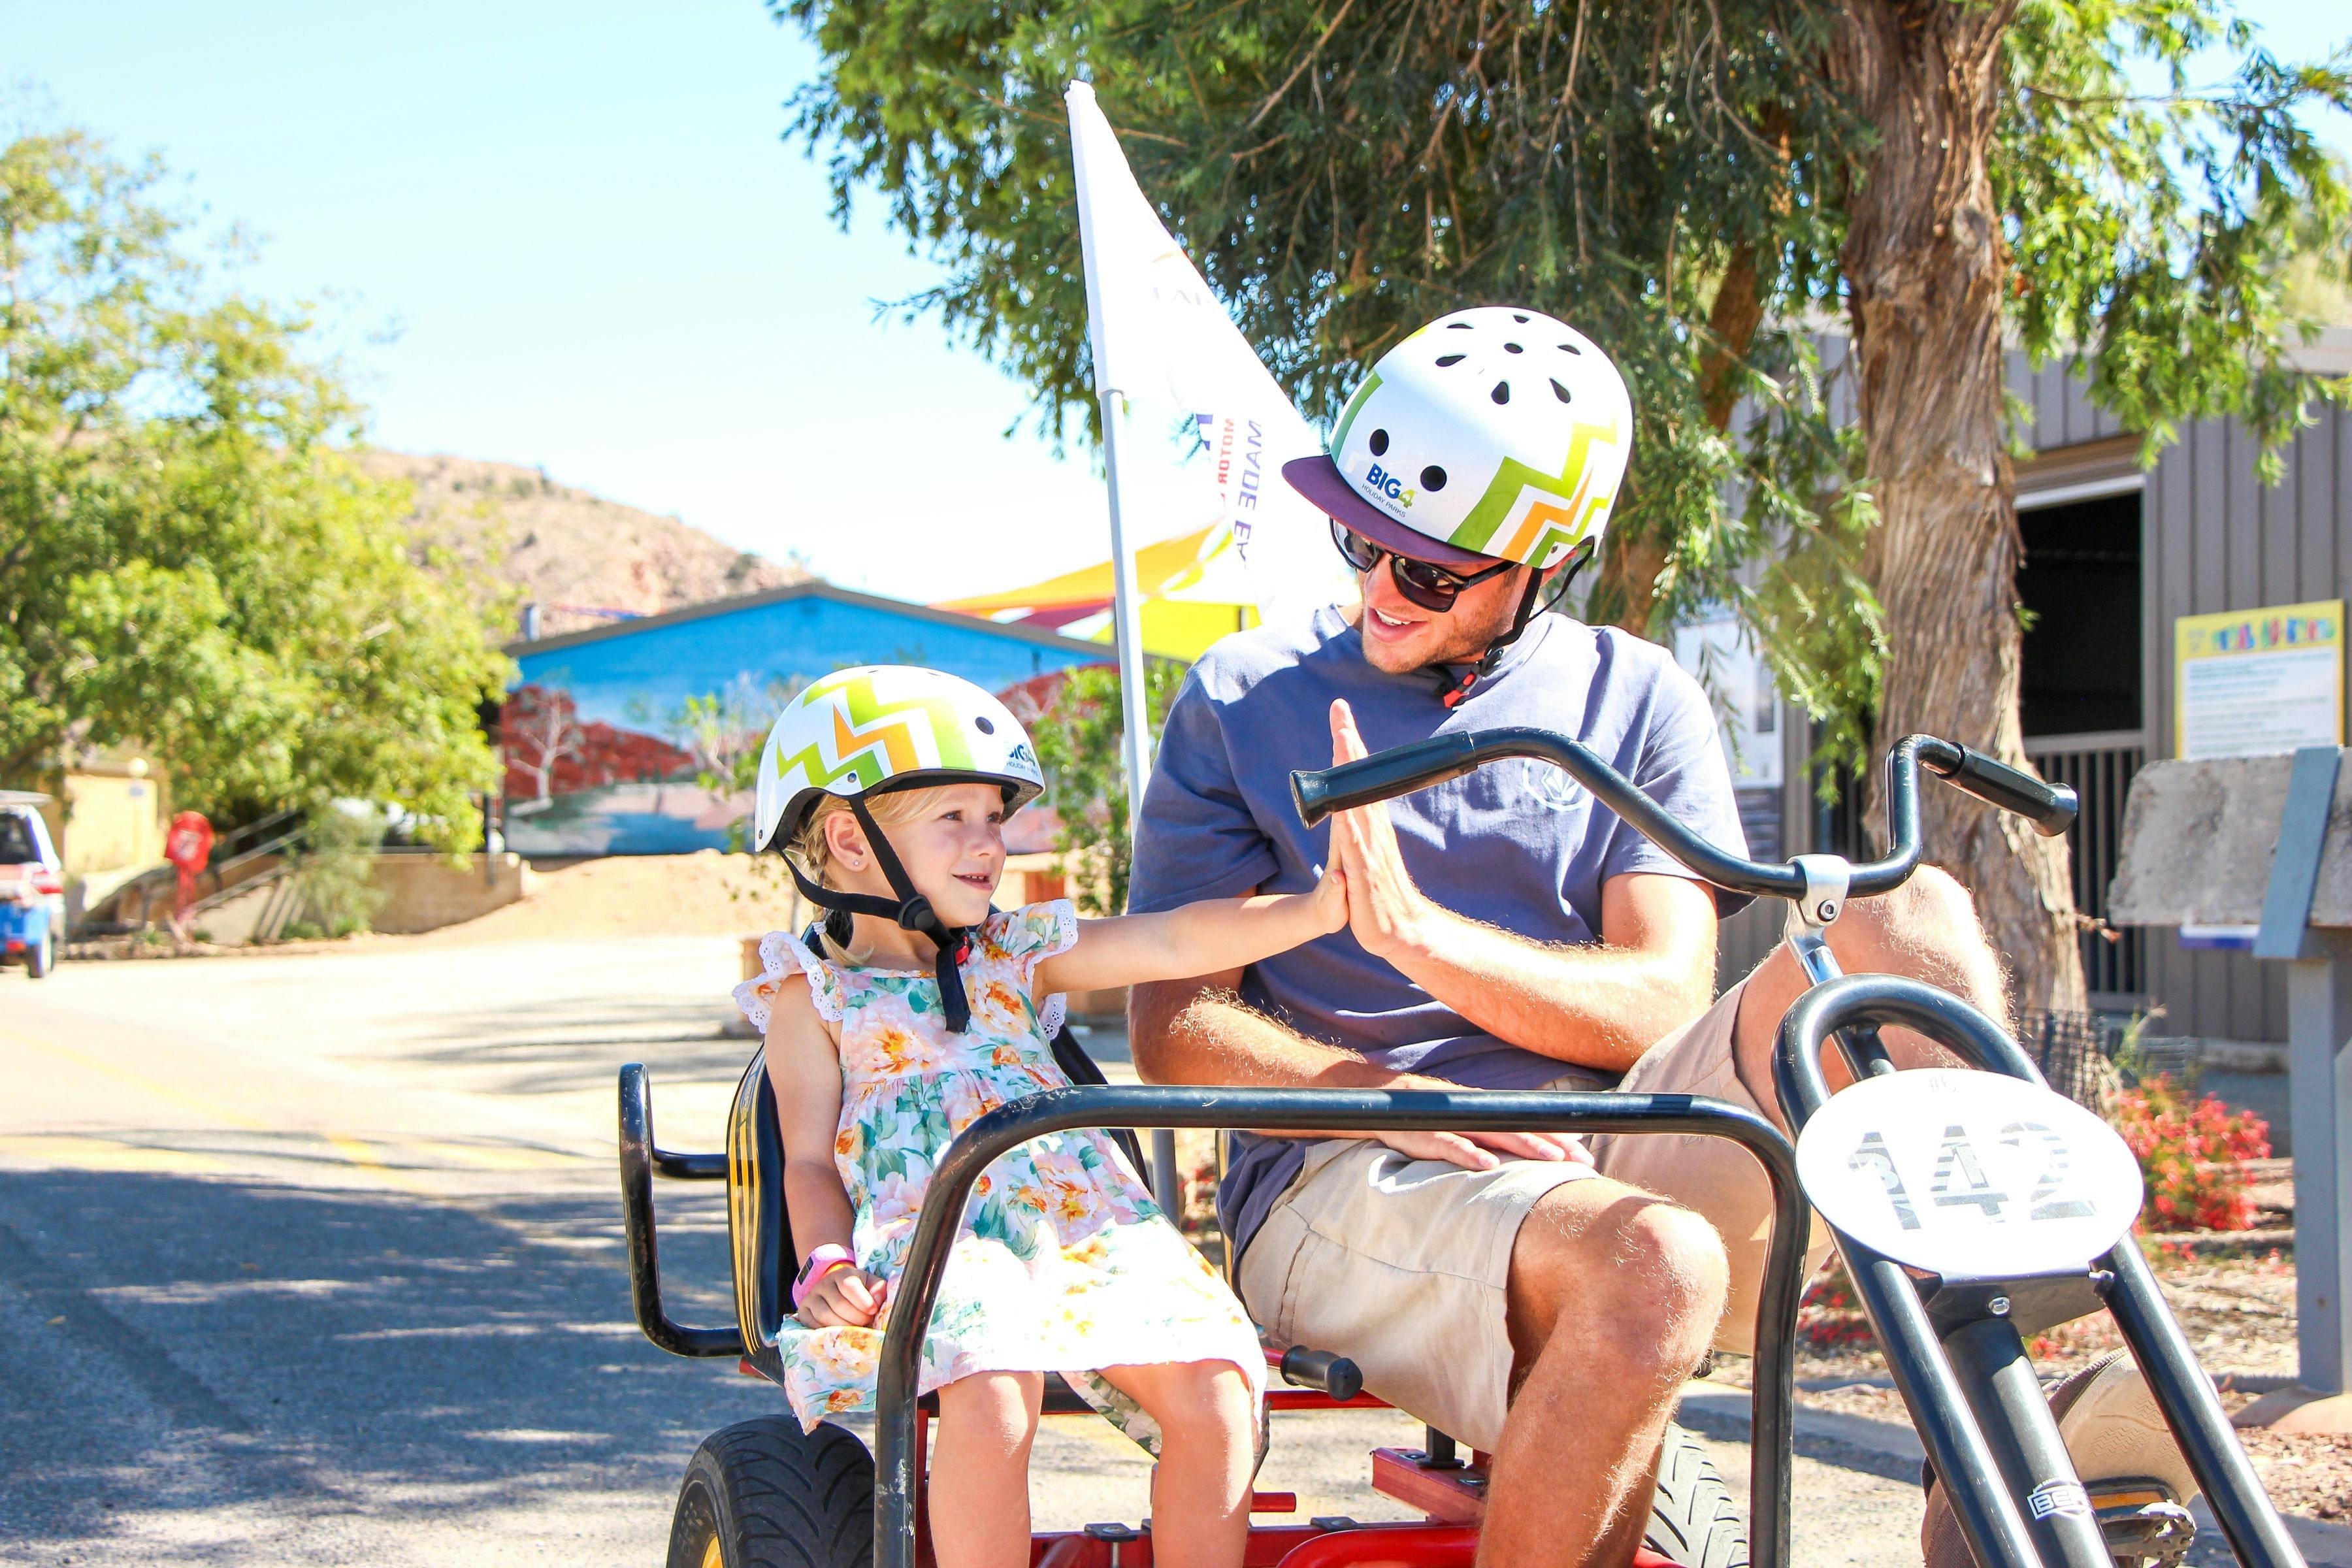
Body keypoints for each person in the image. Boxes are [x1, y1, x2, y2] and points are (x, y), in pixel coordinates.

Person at [1125, 306, 2026, 1566]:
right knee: (1652, 1262)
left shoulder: (1634, 693)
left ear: (1546, 563)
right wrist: (1420, 1096)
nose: (1378, 591)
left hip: (1626, 1134)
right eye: (1361, 540)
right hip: (1350, 1162)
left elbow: (1662, 1002)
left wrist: (1426, 942)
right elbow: (1175, 1032)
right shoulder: (1240, 698)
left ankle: (2004, 1432)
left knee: (1907, 916)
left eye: (1431, 572)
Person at [733, 664, 1350, 1568]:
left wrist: (1319, 909)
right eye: (957, 819)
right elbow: (808, 1163)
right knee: (991, 1387)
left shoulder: (1014, 955)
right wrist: (825, 1258)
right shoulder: (814, 992)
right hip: (935, 1232)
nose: (992, 845)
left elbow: (1175, 937)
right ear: (848, 837)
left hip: (1088, 1221)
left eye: (997, 819)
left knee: (1221, 1386)